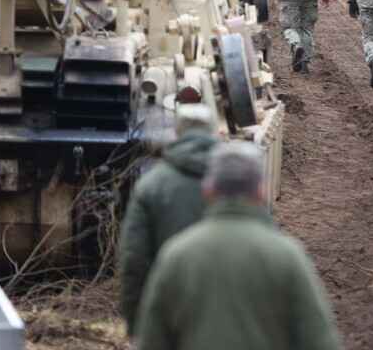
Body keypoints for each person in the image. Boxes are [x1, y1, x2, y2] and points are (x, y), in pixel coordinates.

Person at [136, 142, 342, 350]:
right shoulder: (287, 255)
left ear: (208, 190)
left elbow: (152, 341)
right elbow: (319, 340)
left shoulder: (176, 254)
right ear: (260, 191)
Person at [118, 104, 218, 338]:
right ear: (214, 130)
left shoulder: (153, 185)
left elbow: (134, 261)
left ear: (178, 132)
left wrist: (135, 325)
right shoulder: (236, 183)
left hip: (167, 311)